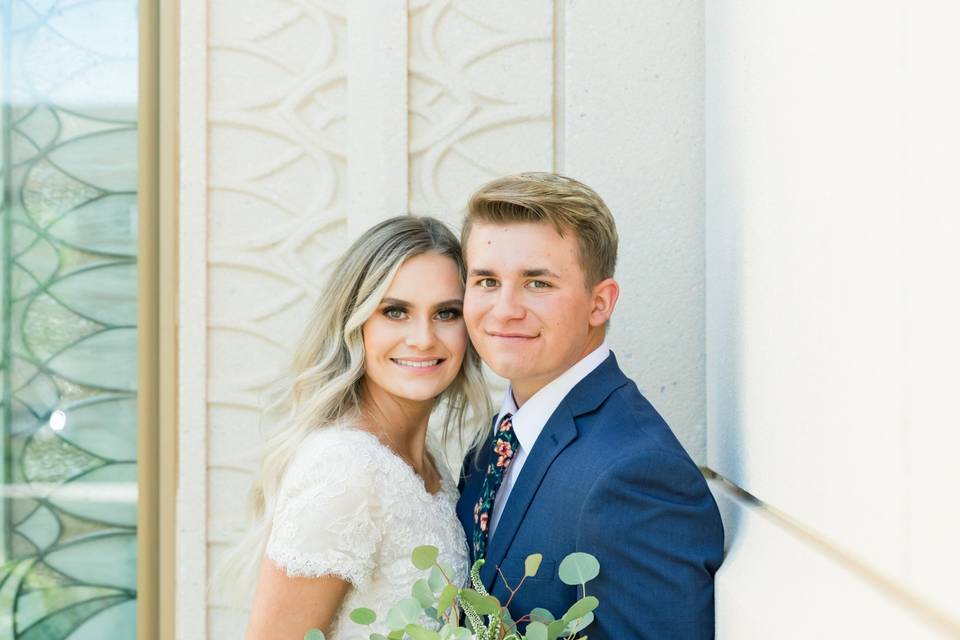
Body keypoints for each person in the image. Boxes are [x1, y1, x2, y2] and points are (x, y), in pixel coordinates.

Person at [455, 173, 724, 639]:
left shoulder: (638, 475)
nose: (504, 309)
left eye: (536, 284)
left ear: (600, 303)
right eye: (486, 281)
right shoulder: (496, 442)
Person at [216, 216, 491, 639]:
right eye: (395, 312)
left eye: (446, 313)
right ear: (356, 323)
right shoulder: (344, 468)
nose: (422, 338)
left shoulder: (427, 459)